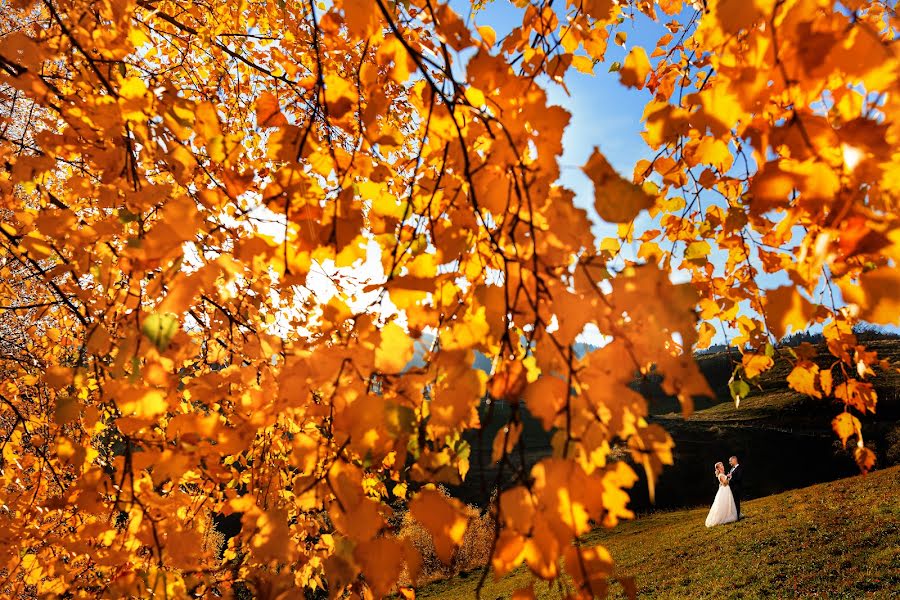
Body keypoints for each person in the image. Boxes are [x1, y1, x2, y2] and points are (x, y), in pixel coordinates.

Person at [705, 462, 738, 527]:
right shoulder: (720, 475)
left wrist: (728, 477)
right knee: (724, 503)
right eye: (721, 466)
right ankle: (724, 517)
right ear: (719, 468)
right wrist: (728, 477)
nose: (722, 466)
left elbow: (727, 482)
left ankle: (729, 514)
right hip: (724, 491)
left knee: (728, 503)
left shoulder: (723, 474)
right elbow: (725, 483)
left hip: (727, 490)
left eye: (722, 465)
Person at [727, 455, 744, 519]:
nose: (729, 463)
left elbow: (739, 478)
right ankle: (734, 516)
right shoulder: (731, 469)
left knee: (736, 502)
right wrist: (728, 477)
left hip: (736, 488)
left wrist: (731, 478)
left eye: (730, 461)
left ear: (734, 460)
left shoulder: (740, 468)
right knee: (732, 503)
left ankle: (737, 516)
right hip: (731, 488)